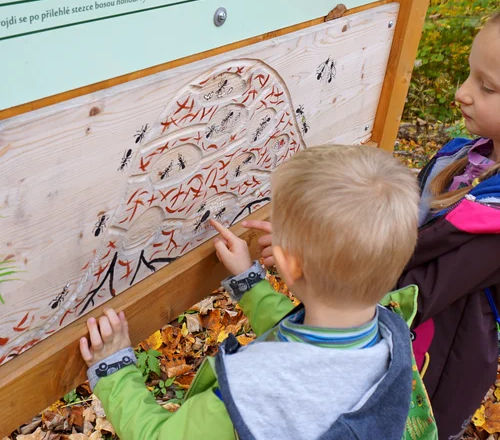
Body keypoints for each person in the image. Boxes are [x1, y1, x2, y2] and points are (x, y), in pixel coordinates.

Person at [246, 13, 500, 439]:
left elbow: (413, 291)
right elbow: (394, 237)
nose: (462, 93)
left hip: (430, 373)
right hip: (374, 345)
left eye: (486, 87)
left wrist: (312, 256)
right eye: (468, 76)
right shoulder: (461, 158)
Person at [79, 144, 420, 440]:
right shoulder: (389, 336)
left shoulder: (247, 394)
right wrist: (250, 282)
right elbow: (304, 339)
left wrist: (114, 368)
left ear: (287, 262)